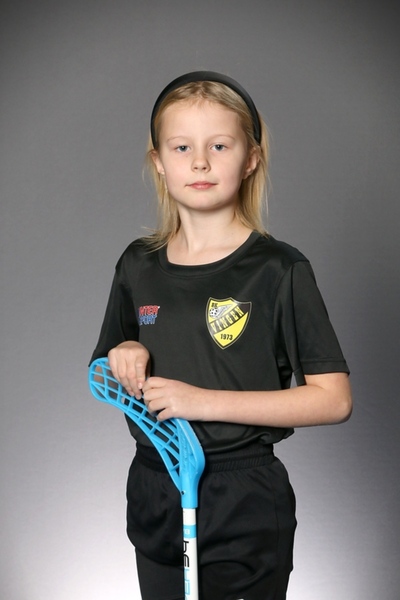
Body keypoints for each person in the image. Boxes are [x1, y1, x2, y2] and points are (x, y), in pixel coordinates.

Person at [90, 71, 352, 600]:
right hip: (154, 486)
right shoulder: (137, 265)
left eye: (219, 145)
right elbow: (107, 370)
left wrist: (201, 401)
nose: (200, 162)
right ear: (158, 162)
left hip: (242, 497)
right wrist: (126, 349)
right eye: (182, 147)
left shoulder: (279, 269)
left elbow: (334, 399)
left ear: (251, 158)